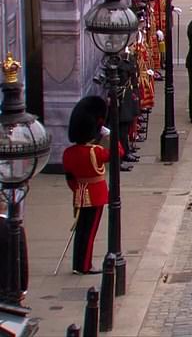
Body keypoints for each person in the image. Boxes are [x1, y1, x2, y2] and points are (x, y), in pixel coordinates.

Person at [62, 96, 111, 275]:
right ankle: (85, 266)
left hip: (79, 194)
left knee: (81, 229)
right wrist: (108, 134)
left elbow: (70, 178)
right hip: (96, 194)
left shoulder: (69, 152)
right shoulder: (95, 152)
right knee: (90, 232)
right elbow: (118, 152)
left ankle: (78, 263)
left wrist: (77, 190)